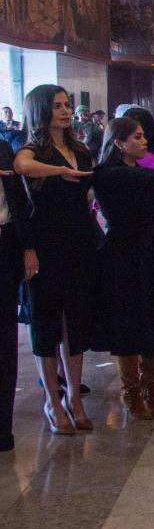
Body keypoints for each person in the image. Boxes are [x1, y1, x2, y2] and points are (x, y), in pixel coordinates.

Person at [14, 84, 96, 435]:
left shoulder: (80, 149)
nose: (65, 111)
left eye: (67, 105)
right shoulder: (33, 150)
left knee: (75, 323)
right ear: (41, 110)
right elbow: (22, 166)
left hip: (80, 242)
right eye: (57, 106)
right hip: (46, 244)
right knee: (47, 323)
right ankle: (52, 398)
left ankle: (74, 397)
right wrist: (60, 172)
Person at [91, 117, 154, 420]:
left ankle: (151, 387)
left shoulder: (145, 172)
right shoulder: (107, 174)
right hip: (124, 253)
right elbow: (140, 185)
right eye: (136, 137)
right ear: (119, 142)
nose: (144, 142)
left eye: (144, 137)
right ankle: (131, 391)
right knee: (129, 322)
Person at [0, 130, 35, 450]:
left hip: (5, 244)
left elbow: (18, 202)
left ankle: (2, 428)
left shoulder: (1, 148)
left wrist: (27, 247)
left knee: (5, 339)